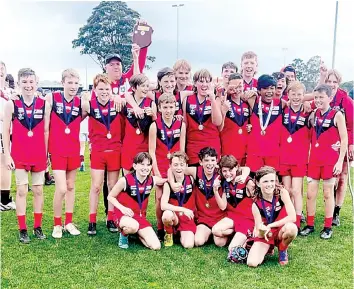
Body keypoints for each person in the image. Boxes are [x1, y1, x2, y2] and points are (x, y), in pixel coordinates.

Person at [3, 68, 51, 243]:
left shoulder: (44, 103)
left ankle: (37, 227)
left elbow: (46, 131)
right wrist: (7, 155)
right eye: (24, 82)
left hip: (38, 154)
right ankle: (22, 229)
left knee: (38, 190)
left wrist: (47, 154)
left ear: (36, 83)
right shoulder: (12, 104)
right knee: (22, 190)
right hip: (19, 154)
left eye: (31, 82)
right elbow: (5, 130)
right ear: (18, 84)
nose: (28, 86)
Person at [168, 147, 250, 247]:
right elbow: (172, 169)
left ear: (216, 161)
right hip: (204, 218)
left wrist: (244, 176)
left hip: (220, 217)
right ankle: (212, 233)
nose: (209, 163)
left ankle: (233, 232)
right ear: (200, 162)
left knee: (220, 243)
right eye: (206, 160)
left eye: (212, 160)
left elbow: (245, 169)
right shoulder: (195, 171)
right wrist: (172, 183)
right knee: (198, 241)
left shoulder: (222, 173)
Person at [300, 84, 348, 239]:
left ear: (330, 98)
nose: (318, 100)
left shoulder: (337, 115)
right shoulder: (314, 114)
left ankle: (327, 227)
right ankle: (310, 224)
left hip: (329, 161)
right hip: (314, 160)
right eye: (316, 97)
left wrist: (340, 161)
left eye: (322, 97)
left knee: (328, 193)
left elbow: (344, 138)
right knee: (310, 194)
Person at [82, 74, 124, 235]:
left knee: (112, 186)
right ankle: (92, 220)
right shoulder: (89, 106)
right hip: (98, 151)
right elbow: (73, 119)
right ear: (95, 90)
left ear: (111, 89)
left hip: (115, 150)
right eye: (101, 89)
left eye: (107, 89)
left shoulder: (117, 104)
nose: (104, 92)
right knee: (96, 186)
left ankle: (110, 218)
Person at [47, 69, 84, 238]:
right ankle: (56, 224)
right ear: (62, 83)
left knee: (70, 186)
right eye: (70, 83)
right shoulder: (51, 99)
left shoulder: (81, 103)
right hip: (57, 150)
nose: (73, 86)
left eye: (76, 83)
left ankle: (68, 222)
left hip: (73, 149)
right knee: (61, 188)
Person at [107, 152, 166, 250]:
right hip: (124, 215)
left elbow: (165, 181)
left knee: (156, 246)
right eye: (142, 164)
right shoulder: (124, 181)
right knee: (133, 226)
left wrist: (173, 182)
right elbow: (110, 197)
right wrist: (122, 208)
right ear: (135, 166)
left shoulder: (152, 180)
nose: (145, 167)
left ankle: (137, 234)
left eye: (148, 165)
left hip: (139, 217)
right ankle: (124, 235)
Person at [149, 93, 186, 240]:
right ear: (159, 108)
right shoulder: (154, 125)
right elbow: (151, 151)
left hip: (175, 166)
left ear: (175, 107)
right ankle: (160, 226)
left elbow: (182, 150)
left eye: (171, 107)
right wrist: (156, 171)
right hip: (160, 165)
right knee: (159, 198)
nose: (168, 110)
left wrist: (181, 168)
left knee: (177, 195)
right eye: (165, 107)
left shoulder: (181, 125)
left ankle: (177, 224)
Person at [247, 166, 297, 267]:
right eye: (265, 181)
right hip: (267, 234)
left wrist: (271, 225)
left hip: (280, 230)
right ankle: (269, 247)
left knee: (292, 228)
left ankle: (282, 249)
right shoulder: (255, 204)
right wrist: (262, 230)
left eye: (272, 181)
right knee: (252, 263)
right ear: (258, 183)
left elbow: (292, 217)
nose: (269, 184)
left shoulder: (282, 193)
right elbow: (258, 232)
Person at [322, 68, 353, 226]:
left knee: (342, 178)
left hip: (344, 143)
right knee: (330, 179)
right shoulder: (324, 97)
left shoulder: (345, 100)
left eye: (335, 82)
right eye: (329, 81)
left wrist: (351, 144)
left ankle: (336, 212)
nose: (332, 84)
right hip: (328, 145)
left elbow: (351, 125)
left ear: (338, 83)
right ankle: (330, 206)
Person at [279, 81, 311, 230]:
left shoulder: (308, 111)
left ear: (304, 96)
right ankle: (288, 217)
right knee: (286, 190)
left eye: (299, 94)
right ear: (288, 95)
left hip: (299, 158)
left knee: (296, 190)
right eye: (293, 94)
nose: (296, 97)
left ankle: (297, 220)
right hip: (284, 157)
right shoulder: (283, 109)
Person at [243, 74, 286, 174]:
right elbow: (239, 94)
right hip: (255, 152)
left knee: (271, 184)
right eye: (265, 88)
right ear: (259, 90)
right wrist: (249, 92)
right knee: (254, 183)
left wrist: (305, 103)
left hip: (273, 153)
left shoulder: (281, 104)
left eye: (272, 88)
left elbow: (298, 101)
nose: (269, 92)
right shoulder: (253, 100)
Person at [212, 155, 254, 252]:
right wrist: (215, 191)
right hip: (232, 217)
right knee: (217, 235)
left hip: (247, 219)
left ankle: (248, 236)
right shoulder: (225, 182)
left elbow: (246, 168)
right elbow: (223, 207)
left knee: (232, 249)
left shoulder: (247, 181)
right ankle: (237, 234)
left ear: (236, 168)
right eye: (224, 171)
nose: (228, 174)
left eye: (230, 170)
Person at [182, 69, 223, 165]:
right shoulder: (187, 100)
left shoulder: (216, 99)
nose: (204, 84)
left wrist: (212, 100)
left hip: (212, 145)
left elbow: (217, 122)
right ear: (195, 83)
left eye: (207, 81)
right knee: (196, 176)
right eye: (201, 81)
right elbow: (185, 126)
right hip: (193, 147)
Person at [121, 74, 157, 175]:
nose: (146, 89)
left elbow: (156, 127)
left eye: (147, 86)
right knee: (128, 182)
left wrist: (153, 116)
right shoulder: (126, 102)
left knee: (144, 183)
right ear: (134, 88)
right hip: (128, 148)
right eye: (143, 86)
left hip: (143, 148)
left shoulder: (151, 104)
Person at [161, 151, 195, 248]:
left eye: (181, 165)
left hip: (187, 219)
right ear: (170, 166)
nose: (179, 168)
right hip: (175, 216)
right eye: (175, 165)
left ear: (186, 166)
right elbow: (163, 205)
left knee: (188, 245)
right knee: (167, 215)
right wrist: (183, 209)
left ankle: (179, 235)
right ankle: (169, 233)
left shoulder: (191, 179)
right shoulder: (168, 184)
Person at [219, 73, 250, 165]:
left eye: (240, 86)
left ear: (244, 86)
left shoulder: (247, 104)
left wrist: (250, 126)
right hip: (228, 152)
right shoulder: (223, 102)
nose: (236, 90)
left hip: (244, 152)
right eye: (234, 87)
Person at [0, 61, 15, 211]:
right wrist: (8, 117)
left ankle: (5, 198)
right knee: (4, 164)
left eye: (2, 68)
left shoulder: (8, 91)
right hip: (1, 130)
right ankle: (4, 200)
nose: (0, 71)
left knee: (6, 164)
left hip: (9, 131)